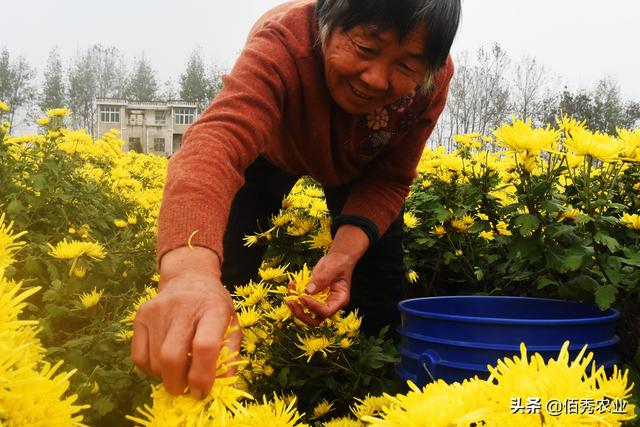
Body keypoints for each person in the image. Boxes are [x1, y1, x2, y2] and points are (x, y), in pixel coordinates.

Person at [131, 0, 461, 399]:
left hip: (359, 163)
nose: (376, 79)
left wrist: (342, 255)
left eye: (406, 66)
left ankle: (371, 401)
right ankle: (212, 394)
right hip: (271, 151)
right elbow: (217, 142)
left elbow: (390, 178)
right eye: (365, 48)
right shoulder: (284, 42)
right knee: (225, 276)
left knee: (377, 296)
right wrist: (188, 275)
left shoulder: (433, 79)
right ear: (329, 20)